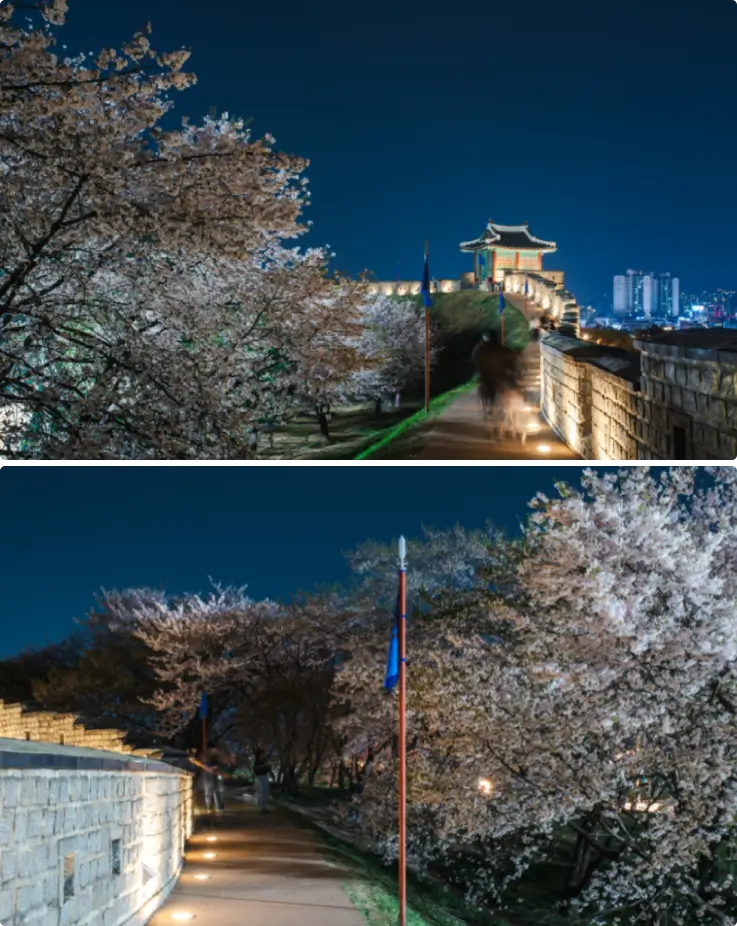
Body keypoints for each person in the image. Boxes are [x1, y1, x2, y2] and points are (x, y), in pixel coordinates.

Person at [253, 748, 271, 813]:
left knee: (265, 792)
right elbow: (256, 769)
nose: (263, 755)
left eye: (263, 754)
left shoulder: (264, 761)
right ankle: (261, 808)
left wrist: (267, 766)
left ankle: (264, 807)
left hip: (265, 777)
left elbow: (268, 769)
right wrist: (265, 766)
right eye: (262, 754)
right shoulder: (257, 762)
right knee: (262, 792)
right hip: (260, 777)